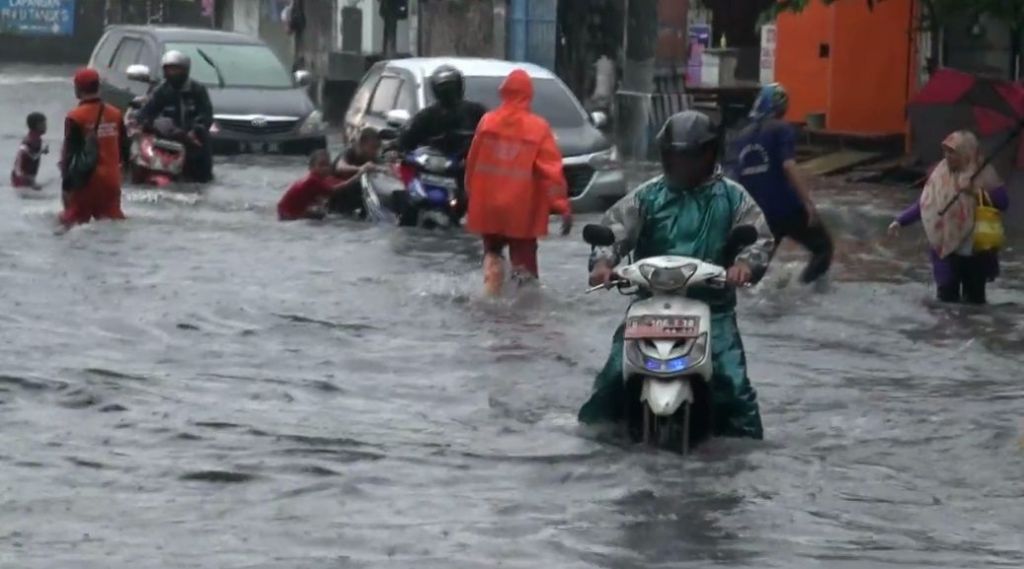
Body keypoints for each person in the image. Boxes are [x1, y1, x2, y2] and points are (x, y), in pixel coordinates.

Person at [579, 110, 774, 440]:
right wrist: (603, 263)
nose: (684, 165)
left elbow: (759, 236)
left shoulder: (733, 196)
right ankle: (596, 440)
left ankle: (747, 457)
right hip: (650, 304)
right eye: (677, 157)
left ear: (710, 154)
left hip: (714, 309)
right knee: (613, 375)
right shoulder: (647, 196)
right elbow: (613, 229)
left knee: (734, 386)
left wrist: (745, 266)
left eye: (692, 157)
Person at [464, 69, 573, 295]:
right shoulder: (538, 128)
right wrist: (562, 206)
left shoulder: (487, 122)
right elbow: (551, 171)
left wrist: (471, 195)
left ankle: (490, 296)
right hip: (521, 211)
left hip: (489, 207)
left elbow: (472, 164)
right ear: (528, 95)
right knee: (524, 268)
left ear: (504, 92)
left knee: (492, 253)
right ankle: (523, 311)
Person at [888, 130, 1010, 304]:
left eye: (953, 152)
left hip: (975, 249)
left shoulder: (984, 172)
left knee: (974, 302)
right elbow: (925, 204)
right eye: (946, 150)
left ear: (967, 152)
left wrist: (974, 192)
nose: (948, 156)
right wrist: (900, 220)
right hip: (944, 246)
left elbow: (1003, 203)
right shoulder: (939, 173)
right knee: (946, 300)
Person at [728, 83, 833, 285]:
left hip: (759, 215)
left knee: (753, 269)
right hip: (788, 208)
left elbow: (734, 178)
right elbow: (788, 166)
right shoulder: (782, 129)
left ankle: (748, 302)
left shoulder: (741, 136)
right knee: (823, 249)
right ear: (780, 106)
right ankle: (804, 294)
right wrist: (808, 203)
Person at [60, 68, 127, 226]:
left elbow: (69, 153)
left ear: (78, 88)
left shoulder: (75, 117)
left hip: (86, 181)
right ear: (98, 86)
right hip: (112, 181)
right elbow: (124, 148)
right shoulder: (116, 114)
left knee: (71, 223)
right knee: (112, 223)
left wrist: (67, 185)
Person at [138, 50, 215, 183]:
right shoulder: (161, 91)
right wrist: (150, 124)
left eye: (176, 69)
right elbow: (146, 113)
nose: (172, 73)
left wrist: (196, 129)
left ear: (185, 70)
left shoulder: (198, 90)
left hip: (194, 141)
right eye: (168, 70)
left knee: (203, 176)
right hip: (168, 141)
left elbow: (207, 114)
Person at [397, 65, 487, 159]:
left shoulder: (476, 111)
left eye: (452, 87)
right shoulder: (426, 116)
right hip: (436, 165)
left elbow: (491, 136)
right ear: (436, 90)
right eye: (444, 88)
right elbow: (407, 141)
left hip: (470, 163)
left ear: (459, 87)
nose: (449, 92)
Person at [278, 150, 350, 221]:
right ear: (311, 168)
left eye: (327, 165)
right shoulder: (312, 180)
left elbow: (334, 181)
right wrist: (356, 177)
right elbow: (333, 190)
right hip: (287, 215)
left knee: (320, 210)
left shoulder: (319, 179)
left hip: (286, 211)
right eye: (321, 165)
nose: (325, 168)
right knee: (321, 215)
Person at [329, 127, 384, 216]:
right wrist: (360, 168)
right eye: (373, 147)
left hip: (356, 198)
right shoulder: (349, 152)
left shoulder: (371, 157)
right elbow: (340, 167)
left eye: (377, 148)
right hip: (337, 198)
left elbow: (382, 167)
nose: (375, 152)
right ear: (362, 144)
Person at [10, 112, 48, 190]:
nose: (46, 127)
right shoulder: (30, 140)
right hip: (21, 180)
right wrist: (42, 151)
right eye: (43, 124)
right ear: (37, 125)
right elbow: (25, 155)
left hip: (27, 180)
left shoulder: (37, 139)